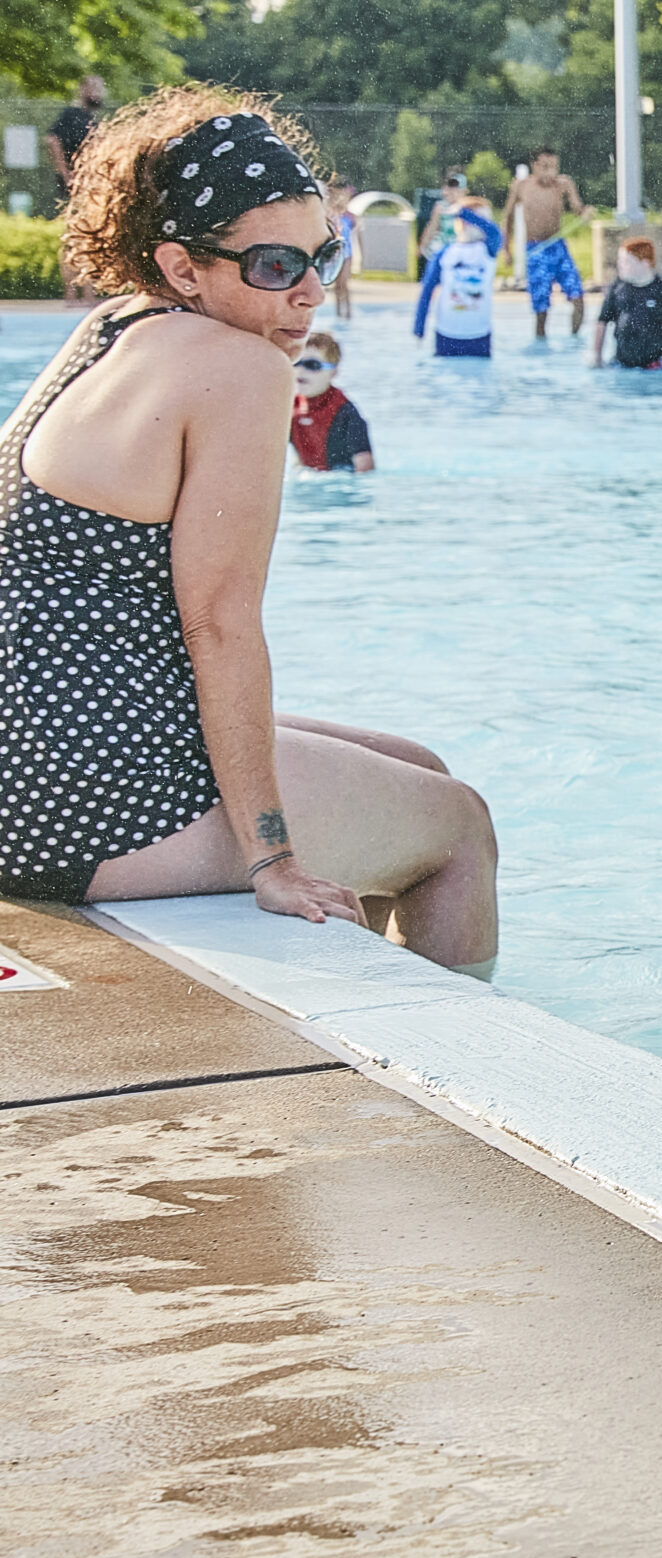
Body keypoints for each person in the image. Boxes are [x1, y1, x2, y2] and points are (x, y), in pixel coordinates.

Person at [1, 87, 498, 975]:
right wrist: (273, 860)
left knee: (418, 764)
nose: (309, 293)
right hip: (82, 799)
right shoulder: (238, 368)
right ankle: (478, 1084)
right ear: (183, 267)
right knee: (459, 828)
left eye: (323, 255)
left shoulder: (111, 329)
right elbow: (221, 624)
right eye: (273, 267)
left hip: (36, 761)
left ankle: (370, 1005)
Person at [499, 147, 586, 338]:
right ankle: (541, 346)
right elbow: (508, 218)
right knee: (541, 309)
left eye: (554, 166)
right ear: (534, 166)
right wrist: (506, 249)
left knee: (578, 299)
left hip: (558, 248)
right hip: (535, 250)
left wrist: (585, 213)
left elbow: (578, 209)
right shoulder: (522, 186)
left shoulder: (563, 183)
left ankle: (573, 341)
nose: (550, 172)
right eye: (545, 166)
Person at [414, 198, 501, 357]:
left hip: (479, 334)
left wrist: (463, 212)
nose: (485, 224)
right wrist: (419, 328)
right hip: (447, 334)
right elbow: (426, 291)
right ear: (464, 223)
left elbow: (494, 231)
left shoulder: (488, 250)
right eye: (482, 219)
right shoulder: (444, 253)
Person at [47, 76, 106, 303]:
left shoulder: (89, 118)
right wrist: (66, 174)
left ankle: (88, 293)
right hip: (75, 186)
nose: (99, 93)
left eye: (100, 89)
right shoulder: (71, 115)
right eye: (95, 88)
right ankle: (72, 294)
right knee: (75, 236)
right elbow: (52, 140)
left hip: (90, 185)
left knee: (87, 236)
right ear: (83, 90)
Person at [590, 235, 662, 370]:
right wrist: (596, 357)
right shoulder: (617, 289)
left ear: (645, 263)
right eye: (619, 261)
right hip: (621, 364)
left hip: (656, 366)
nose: (620, 266)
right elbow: (602, 322)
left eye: (626, 262)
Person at [287, 331, 372, 472]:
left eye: (312, 365)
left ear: (333, 372)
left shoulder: (345, 412)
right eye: (296, 363)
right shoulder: (289, 407)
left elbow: (365, 465)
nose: (301, 370)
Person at [326, 179, 355, 321]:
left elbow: (355, 236)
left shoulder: (350, 216)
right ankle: (338, 313)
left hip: (347, 253)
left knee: (344, 284)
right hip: (335, 253)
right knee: (338, 285)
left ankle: (348, 313)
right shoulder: (331, 215)